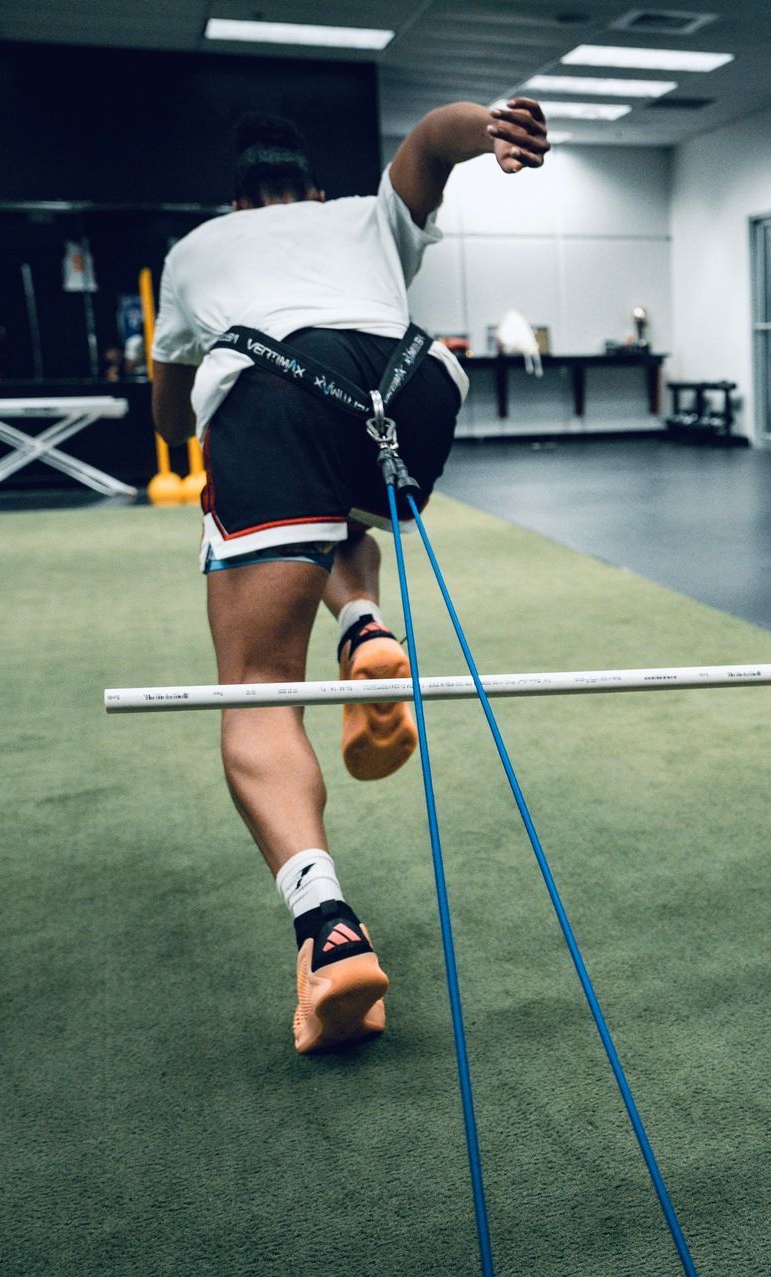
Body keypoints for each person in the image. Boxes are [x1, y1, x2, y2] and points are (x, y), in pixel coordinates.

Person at [149, 100, 551, 1052]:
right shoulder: (361, 215)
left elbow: (172, 423)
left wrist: (188, 383)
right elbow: (429, 144)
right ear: (312, 189)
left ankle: (325, 928)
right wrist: (492, 127)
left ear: (235, 197)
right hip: (410, 384)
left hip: (277, 388)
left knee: (256, 688)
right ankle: (365, 622)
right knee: (339, 510)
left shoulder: (199, 246)